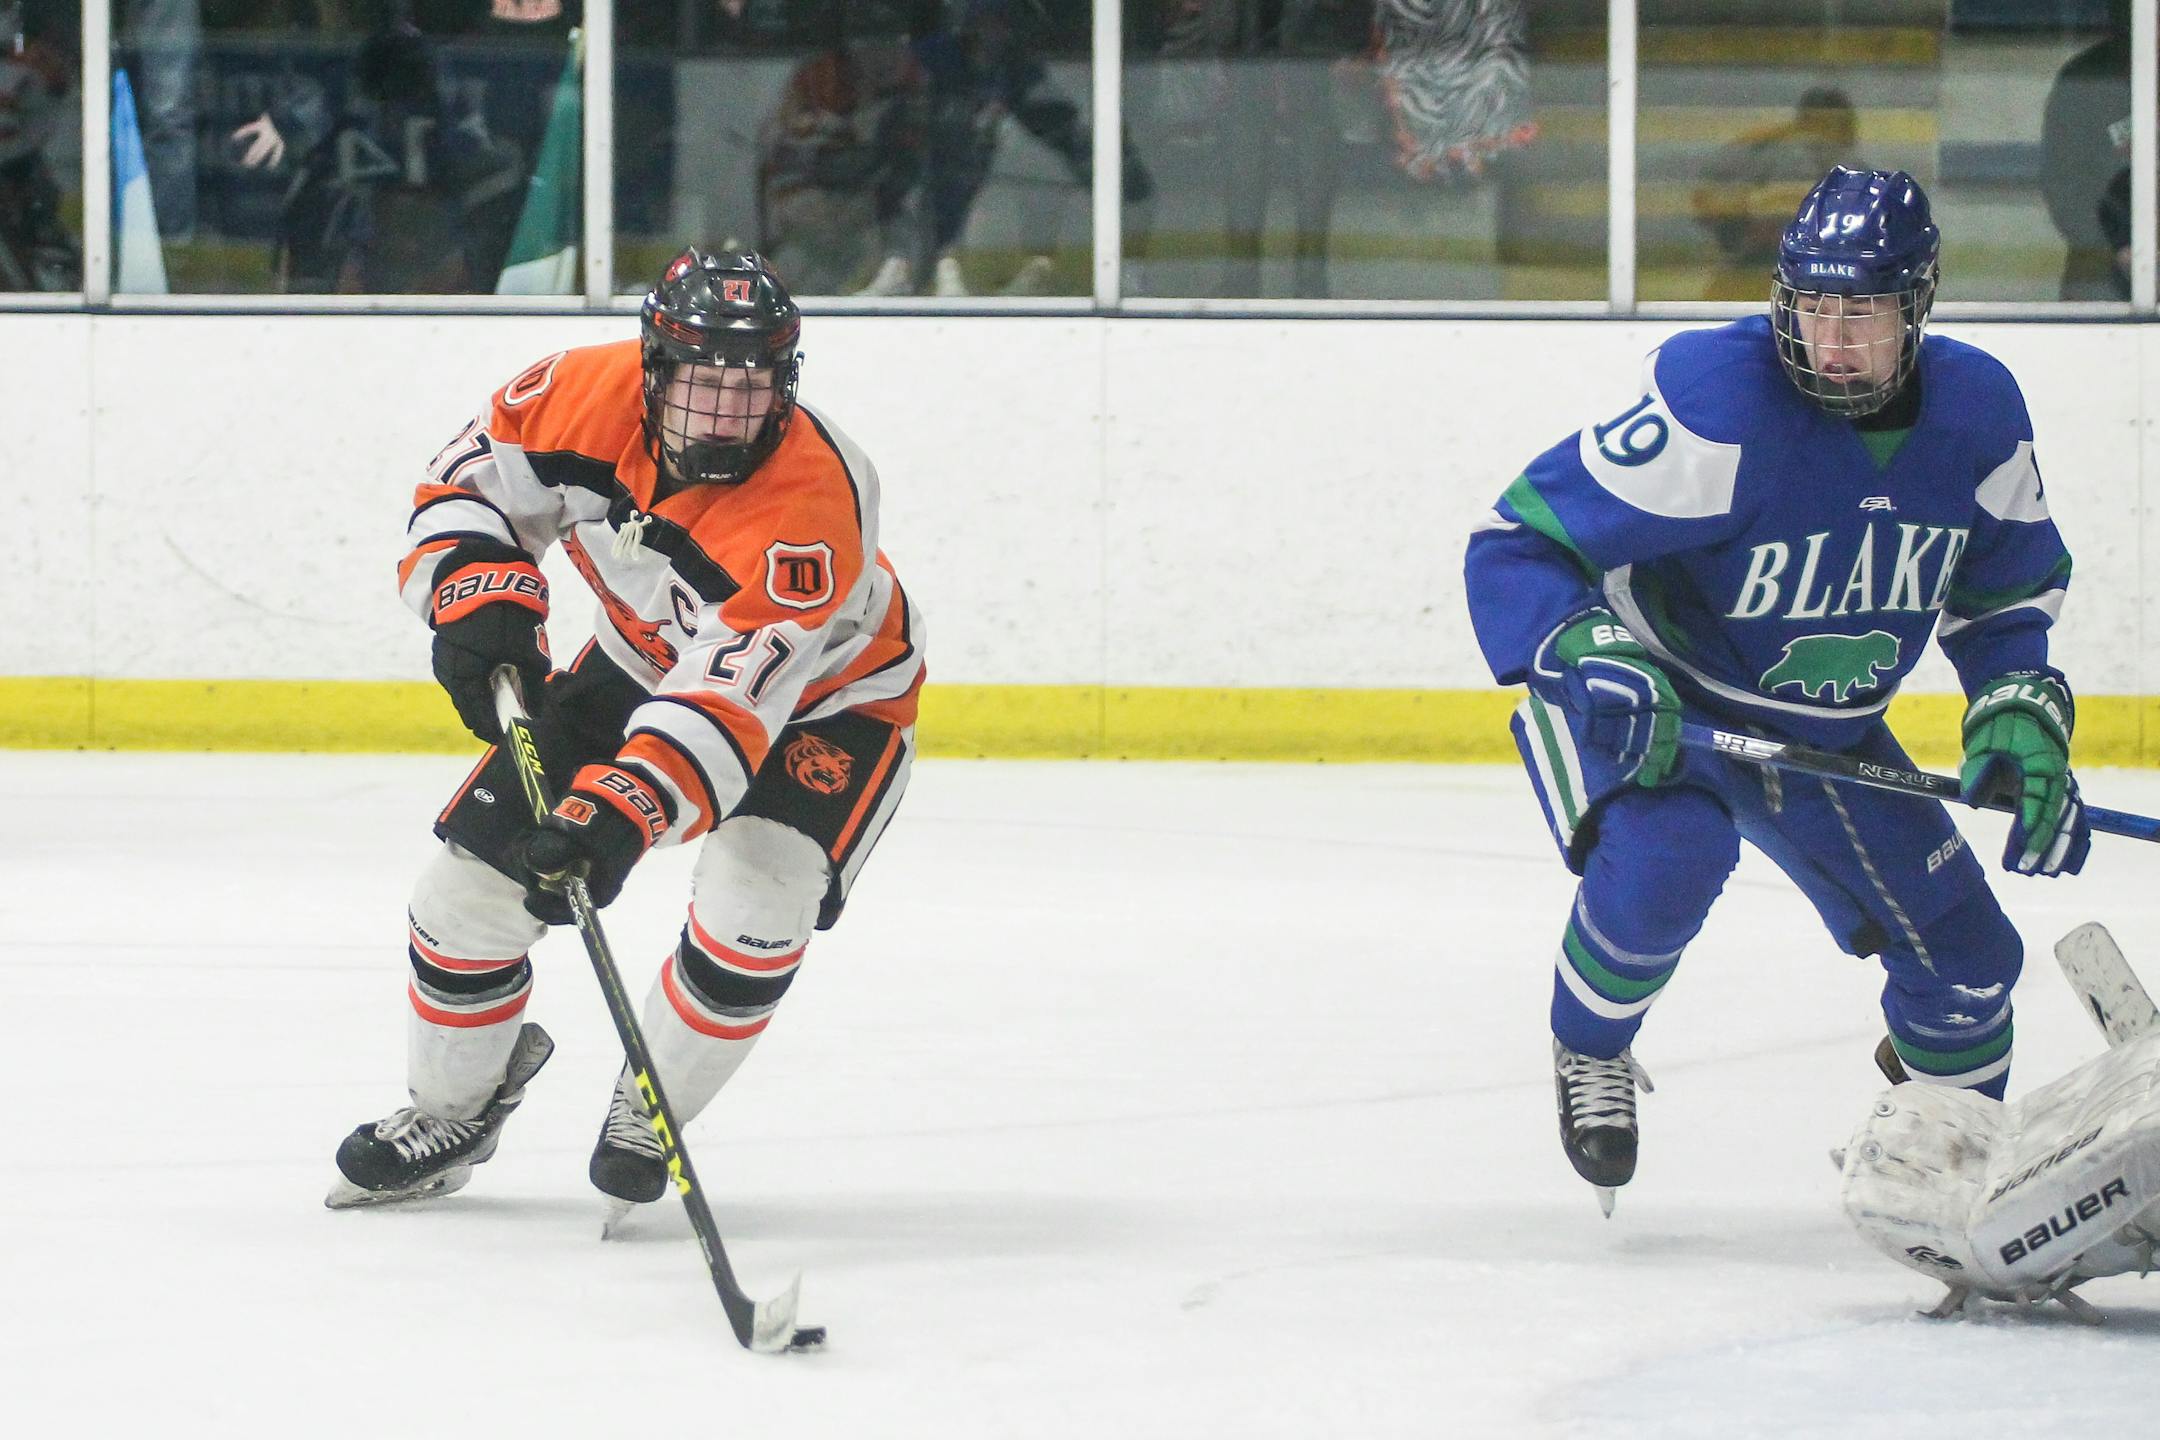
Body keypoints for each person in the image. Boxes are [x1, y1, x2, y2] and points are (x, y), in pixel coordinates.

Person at [1462, 167, 2091, 1215]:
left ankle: (1942, 1167)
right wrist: (1580, 643)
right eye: (1813, 307)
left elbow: (2003, 596)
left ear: (1919, 308)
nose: (1832, 341)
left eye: (1864, 314)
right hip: (1656, 702)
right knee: (1671, 856)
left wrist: (2018, 705)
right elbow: (1516, 541)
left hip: (1824, 732)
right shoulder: (1718, 406)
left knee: (1972, 966)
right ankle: (1591, 1046)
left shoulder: (1978, 414)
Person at [327, 249, 926, 1216]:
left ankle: (655, 1108)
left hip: (830, 701)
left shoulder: (810, 504)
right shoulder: (573, 395)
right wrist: (477, 596)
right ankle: (451, 1114)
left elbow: (728, 706)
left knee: (759, 902)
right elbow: (467, 489)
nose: (724, 414)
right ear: (653, 366)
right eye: (701, 384)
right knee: (464, 897)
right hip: (638, 659)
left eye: (752, 388)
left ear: (786, 383)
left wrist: (619, 815)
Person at [1689, 85, 1857, 302]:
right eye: (1816, 124)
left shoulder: (1855, 176)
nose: (1822, 136)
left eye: (1834, 126)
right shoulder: (1760, 157)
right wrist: (1752, 210)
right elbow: (1705, 203)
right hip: (1751, 274)